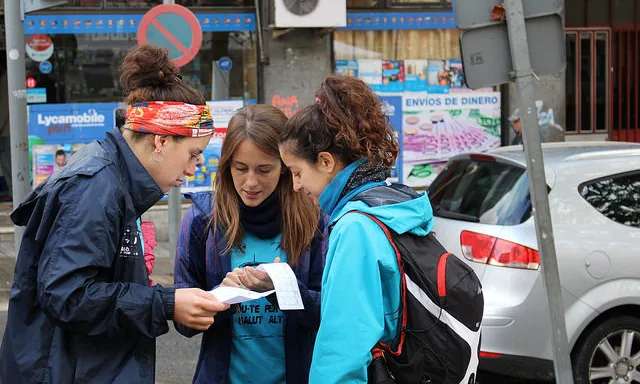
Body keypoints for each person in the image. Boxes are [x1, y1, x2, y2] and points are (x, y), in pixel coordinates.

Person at [0, 45, 229, 384]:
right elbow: (68, 295)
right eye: (193, 154)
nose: (195, 168)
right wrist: (165, 302)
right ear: (162, 142)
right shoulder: (96, 186)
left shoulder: (112, 178)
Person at [278, 75, 434, 383]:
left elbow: (344, 347)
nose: (295, 186)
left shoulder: (355, 227)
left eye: (297, 172)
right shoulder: (395, 205)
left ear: (325, 162)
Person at [174, 104, 329, 384]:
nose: (250, 182)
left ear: (285, 167)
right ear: (226, 166)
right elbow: (184, 324)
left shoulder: (314, 219)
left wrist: (284, 290)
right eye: (241, 168)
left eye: (264, 170)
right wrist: (223, 296)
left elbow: (331, 314)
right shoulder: (202, 220)